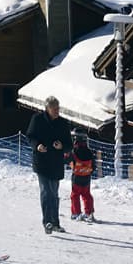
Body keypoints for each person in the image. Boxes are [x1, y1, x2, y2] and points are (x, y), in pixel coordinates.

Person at [24, 95, 72, 234]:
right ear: (47, 108)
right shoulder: (37, 119)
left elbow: (69, 145)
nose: (57, 111)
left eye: (58, 108)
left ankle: (56, 223)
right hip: (41, 162)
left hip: (56, 163)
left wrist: (62, 146)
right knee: (46, 192)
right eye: (54, 108)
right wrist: (37, 146)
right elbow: (30, 136)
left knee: (54, 193)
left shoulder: (63, 123)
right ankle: (48, 222)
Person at [68, 132, 97, 221]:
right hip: (86, 177)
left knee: (75, 195)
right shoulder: (89, 151)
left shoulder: (74, 151)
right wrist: (89, 172)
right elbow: (93, 165)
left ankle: (76, 213)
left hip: (77, 176)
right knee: (86, 195)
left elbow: (67, 160)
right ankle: (89, 213)